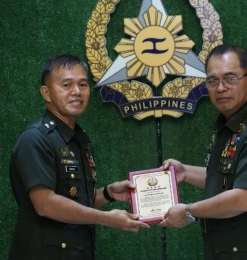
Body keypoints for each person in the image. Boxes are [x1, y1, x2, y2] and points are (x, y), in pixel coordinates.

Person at [159, 44, 247, 259]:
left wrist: (188, 211)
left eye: (230, 78)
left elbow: (243, 197)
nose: (221, 88)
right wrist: (185, 173)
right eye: (213, 81)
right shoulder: (231, 124)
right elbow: (229, 178)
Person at [9, 54, 149, 260]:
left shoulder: (79, 139)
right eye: (66, 85)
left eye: (83, 84)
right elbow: (45, 203)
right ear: (46, 93)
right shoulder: (35, 138)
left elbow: (76, 199)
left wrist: (108, 193)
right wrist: (106, 219)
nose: (77, 91)